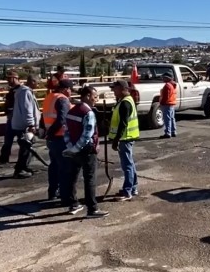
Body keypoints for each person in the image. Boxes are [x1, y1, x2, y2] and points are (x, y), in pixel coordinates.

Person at [62, 86, 108, 217]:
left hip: (73, 150)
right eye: (95, 96)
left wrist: (71, 147)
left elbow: (66, 131)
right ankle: (92, 209)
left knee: (72, 177)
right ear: (87, 96)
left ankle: (73, 204)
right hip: (86, 150)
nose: (96, 99)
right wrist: (77, 148)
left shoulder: (72, 111)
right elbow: (87, 134)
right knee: (90, 179)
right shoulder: (88, 113)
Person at [40, 78, 72, 201]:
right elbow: (62, 119)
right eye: (70, 89)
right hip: (60, 137)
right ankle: (64, 195)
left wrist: (45, 132)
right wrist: (51, 133)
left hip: (52, 139)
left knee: (54, 166)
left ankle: (53, 192)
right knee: (64, 167)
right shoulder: (62, 99)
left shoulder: (49, 97)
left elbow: (43, 117)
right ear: (65, 89)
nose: (71, 92)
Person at [108, 80, 140, 201]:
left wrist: (116, 140)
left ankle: (127, 191)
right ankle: (133, 187)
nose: (113, 91)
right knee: (130, 163)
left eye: (115, 89)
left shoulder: (125, 103)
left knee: (127, 165)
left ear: (122, 88)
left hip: (125, 138)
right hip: (127, 137)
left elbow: (123, 123)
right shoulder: (124, 100)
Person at [11, 75, 40, 179]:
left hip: (21, 124)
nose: (38, 85)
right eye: (37, 82)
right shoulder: (26, 92)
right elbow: (27, 109)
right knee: (26, 148)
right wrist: (31, 124)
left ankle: (24, 167)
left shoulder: (22, 91)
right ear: (32, 81)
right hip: (24, 126)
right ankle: (19, 170)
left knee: (27, 147)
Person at [0, 70, 20, 163]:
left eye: (9, 78)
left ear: (15, 78)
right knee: (7, 139)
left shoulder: (20, 90)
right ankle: (4, 157)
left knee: (22, 141)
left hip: (17, 118)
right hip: (11, 118)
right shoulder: (12, 89)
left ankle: (23, 161)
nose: (8, 80)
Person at [159, 72, 177, 139]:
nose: (162, 78)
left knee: (167, 119)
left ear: (167, 78)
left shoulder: (167, 86)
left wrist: (161, 103)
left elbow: (166, 97)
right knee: (172, 118)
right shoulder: (173, 85)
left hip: (167, 104)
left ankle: (168, 133)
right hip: (171, 103)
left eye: (164, 77)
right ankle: (173, 131)